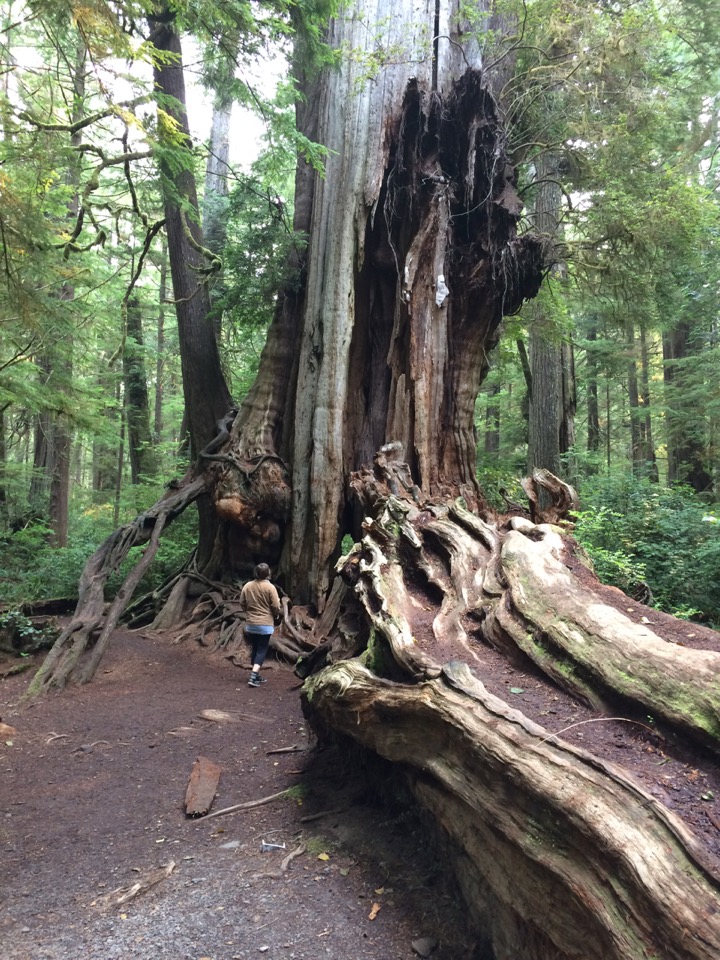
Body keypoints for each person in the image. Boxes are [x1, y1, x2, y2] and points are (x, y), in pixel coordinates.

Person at [239, 563, 282, 688]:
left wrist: (249, 612)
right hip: (265, 623)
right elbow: (275, 606)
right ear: (268, 573)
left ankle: (256, 675)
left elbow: (242, 602)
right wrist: (276, 615)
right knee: (262, 649)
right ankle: (253, 676)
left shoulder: (247, 586)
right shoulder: (270, 588)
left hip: (251, 624)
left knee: (255, 648)